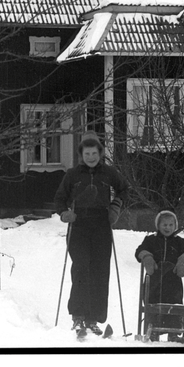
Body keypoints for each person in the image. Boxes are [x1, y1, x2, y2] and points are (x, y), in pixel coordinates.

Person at [53, 132, 130, 336]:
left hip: (101, 224)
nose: (91, 157)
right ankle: (78, 316)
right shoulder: (72, 175)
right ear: (81, 154)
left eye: (94, 153)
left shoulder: (109, 173)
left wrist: (115, 207)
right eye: (87, 153)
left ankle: (93, 319)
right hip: (78, 224)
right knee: (81, 268)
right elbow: (59, 199)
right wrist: (65, 213)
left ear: (100, 153)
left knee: (99, 271)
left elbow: (124, 189)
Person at [134, 210, 184, 342]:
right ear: (158, 225)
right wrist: (146, 256)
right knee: (152, 303)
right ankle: (152, 331)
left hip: (173, 280)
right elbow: (139, 251)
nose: (168, 228)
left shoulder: (179, 241)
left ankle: (174, 332)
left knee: (174, 303)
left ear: (175, 226)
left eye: (171, 225)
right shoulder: (150, 240)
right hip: (154, 279)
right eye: (164, 225)